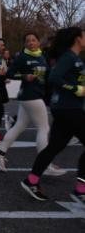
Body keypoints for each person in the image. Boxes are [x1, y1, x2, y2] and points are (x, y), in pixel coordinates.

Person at [21, 27, 85, 205]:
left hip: (66, 108)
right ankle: (81, 190)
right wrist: (75, 89)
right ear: (77, 39)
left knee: (54, 147)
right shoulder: (68, 58)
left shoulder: (74, 58)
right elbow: (54, 77)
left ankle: (31, 181)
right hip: (68, 108)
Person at [0, 33, 65, 176]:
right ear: (24, 44)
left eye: (34, 40)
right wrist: (24, 76)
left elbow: (47, 77)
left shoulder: (41, 57)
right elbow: (9, 74)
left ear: (38, 42)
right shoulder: (22, 57)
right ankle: (46, 164)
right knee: (44, 128)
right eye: (28, 41)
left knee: (19, 126)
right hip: (30, 96)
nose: (31, 43)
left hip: (33, 96)